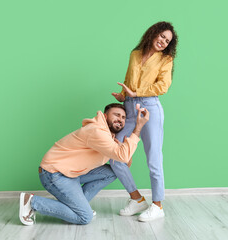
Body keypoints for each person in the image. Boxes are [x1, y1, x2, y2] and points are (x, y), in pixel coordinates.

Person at [19, 103, 149, 225]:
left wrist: (123, 146)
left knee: (112, 172)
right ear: (104, 116)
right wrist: (137, 128)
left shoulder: (109, 138)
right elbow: (123, 155)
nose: (120, 119)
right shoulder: (97, 131)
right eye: (116, 115)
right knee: (85, 217)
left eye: (123, 117)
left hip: (71, 173)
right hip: (54, 173)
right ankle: (32, 202)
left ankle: (79, 207)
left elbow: (124, 164)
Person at [111, 21, 178, 222]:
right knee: (115, 154)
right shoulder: (135, 54)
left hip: (150, 108)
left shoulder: (166, 59)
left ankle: (158, 205)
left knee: (153, 158)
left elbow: (163, 86)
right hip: (130, 108)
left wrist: (137, 93)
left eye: (167, 41)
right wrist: (124, 95)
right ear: (153, 33)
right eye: (162, 37)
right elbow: (129, 77)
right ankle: (137, 199)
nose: (164, 42)